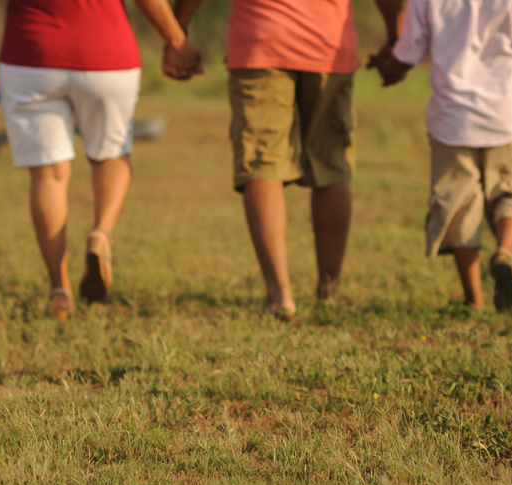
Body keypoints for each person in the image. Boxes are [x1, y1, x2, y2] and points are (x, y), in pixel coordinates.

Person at [168, 0, 405, 320]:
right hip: (329, 43)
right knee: (331, 165)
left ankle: (280, 295)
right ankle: (329, 291)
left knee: (261, 163)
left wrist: (178, 32)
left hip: (260, 38)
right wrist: (396, 37)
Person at [0, 0, 202, 322]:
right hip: (105, 54)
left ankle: (59, 290)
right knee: (111, 155)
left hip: (30, 56)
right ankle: (100, 234)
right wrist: (176, 40)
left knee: (47, 175)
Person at [372, 0, 512, 311]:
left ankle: (474, 299)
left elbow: (409, 52)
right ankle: (505, 253)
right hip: (506, 116)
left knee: (458, 205)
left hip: (453, 121)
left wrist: (387, 68)